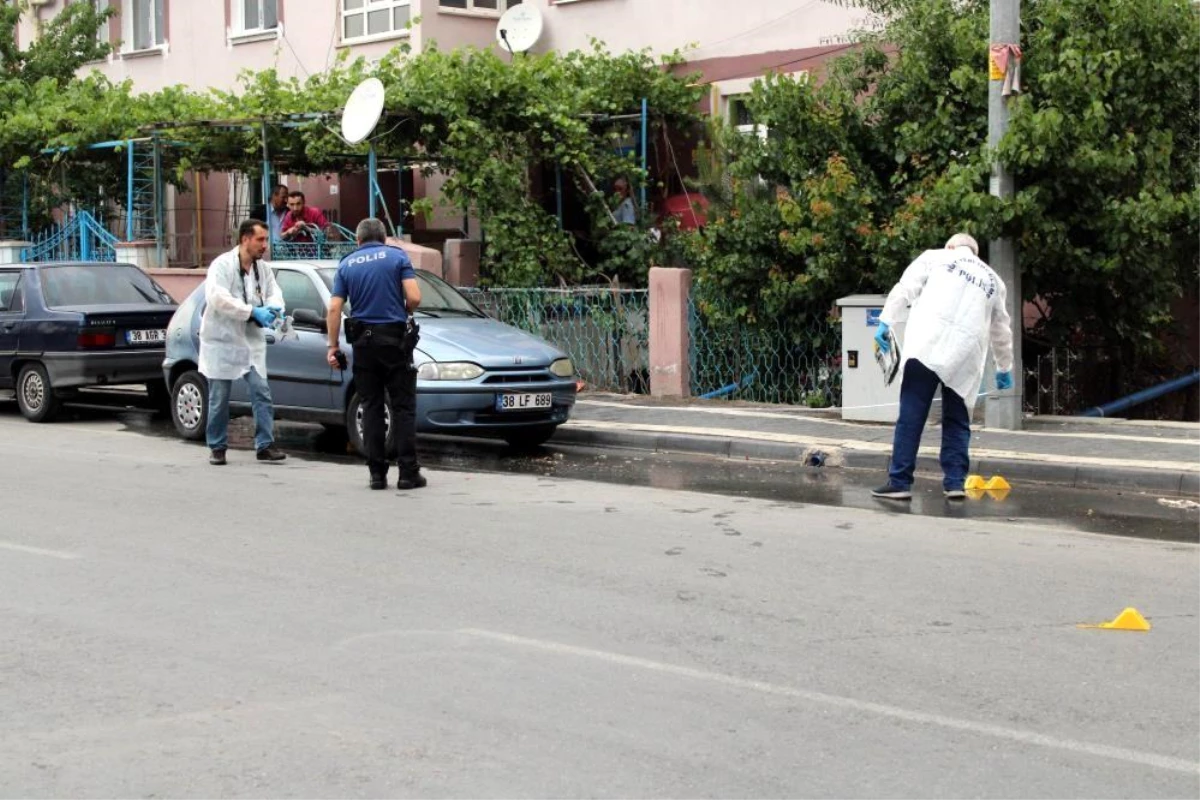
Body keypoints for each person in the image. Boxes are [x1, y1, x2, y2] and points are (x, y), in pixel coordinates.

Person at [871, 233, 1014, 501]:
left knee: (912, 414)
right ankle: (955, 483)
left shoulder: (935, 257)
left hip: (927, 345)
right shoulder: (994, 280)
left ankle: (900, 481)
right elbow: (1001, 329)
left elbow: (906, 288)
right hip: (966, 356)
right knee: (958, 421)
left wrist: (886, 321)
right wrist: (1004, 368)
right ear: (976, 253)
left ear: (951, 245)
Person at [325, 218, 425, 491]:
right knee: (403, 407)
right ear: (384, 239)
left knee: (371, 406)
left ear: (357, 240)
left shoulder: (346, 264)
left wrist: (332, 347)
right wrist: (404, 309)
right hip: (395, 343)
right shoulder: (396, 257)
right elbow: (414, 297)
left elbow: (334, 308)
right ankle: (408, 473)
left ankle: (376, 475)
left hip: (363, 345)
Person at [198, 219, 288, 466]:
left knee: (261, 391)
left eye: (266, 240)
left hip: (250, 339)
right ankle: (217, 446)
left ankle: (265, 444)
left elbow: (273, 292)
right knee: (219, 397)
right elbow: (218, 298)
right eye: (260, 240)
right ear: (245, 239)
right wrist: (251, 311)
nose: (265, 245)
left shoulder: (263, 269)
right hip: (222, 339)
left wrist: (274, 309)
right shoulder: (222, 266)